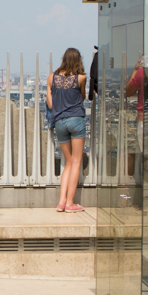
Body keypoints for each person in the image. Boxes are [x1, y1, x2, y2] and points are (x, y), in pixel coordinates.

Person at [45, 48, 88, 212]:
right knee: (76, 161)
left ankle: (61, 201)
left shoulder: (51, 78)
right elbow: (82, 97)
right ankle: (70, 203)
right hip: (76, 119)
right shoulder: (81, 78)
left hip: (60, 122)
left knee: (68, 162)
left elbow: (51, 104)